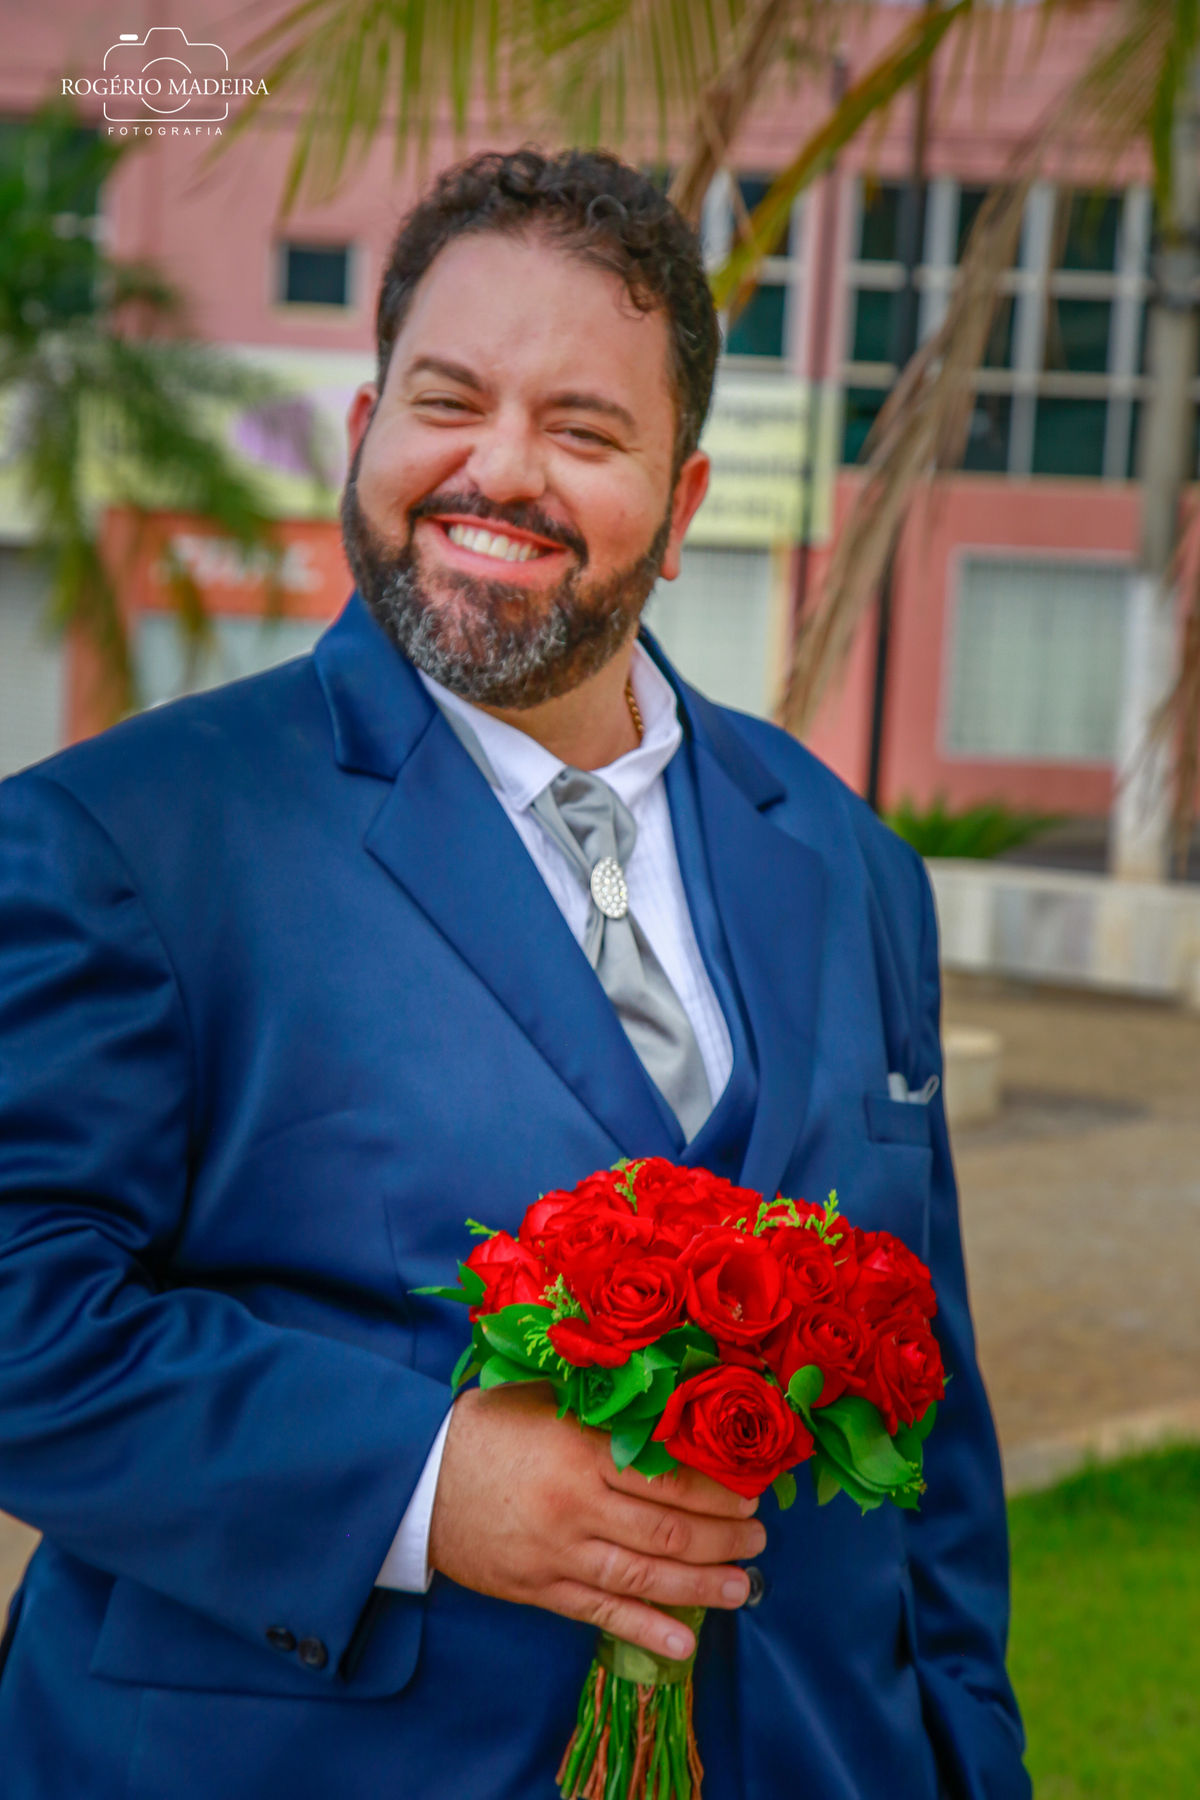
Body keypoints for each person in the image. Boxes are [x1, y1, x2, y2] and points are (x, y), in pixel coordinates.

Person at [0, 148, 1028, 1799]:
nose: (498, 469)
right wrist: (421, 1485)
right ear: (364, 432)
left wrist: (962, 1754)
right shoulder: (124, 836)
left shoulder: (855, 868)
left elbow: (937, 1421)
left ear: (682, 506)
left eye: (584, 429)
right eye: (448, 401)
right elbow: (23, 1314)